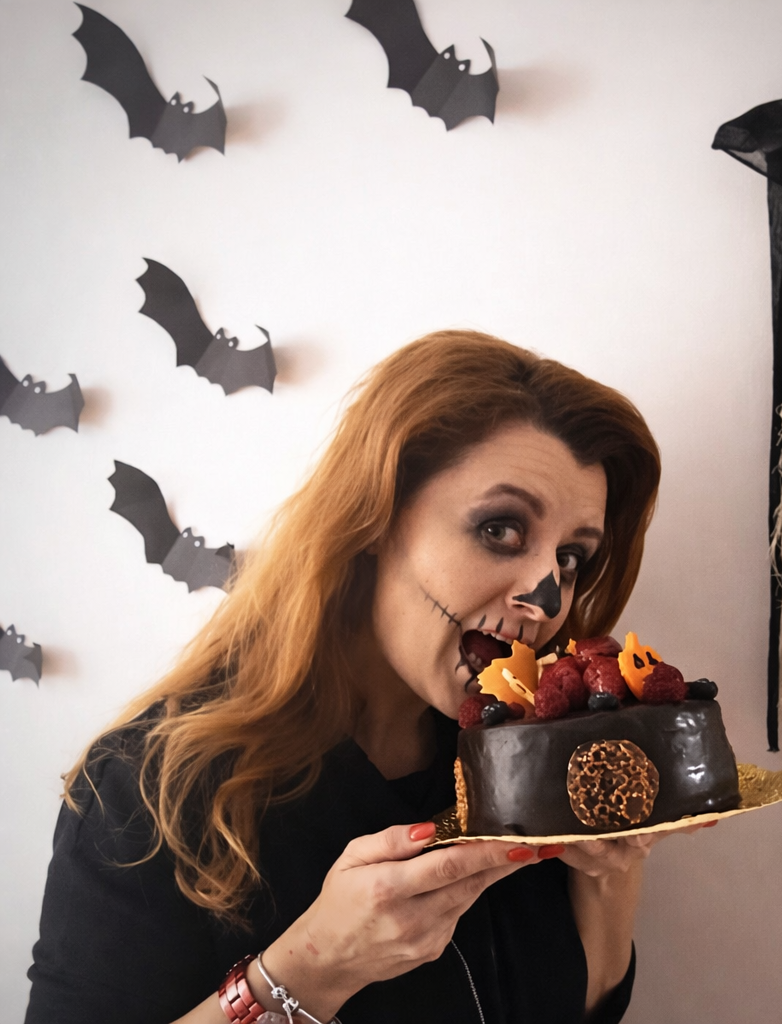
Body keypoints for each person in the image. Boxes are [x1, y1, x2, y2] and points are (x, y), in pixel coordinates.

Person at [26, 330, 707, 1024]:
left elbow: (587, 1008)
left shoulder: (535, 755)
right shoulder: (145, 788)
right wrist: (312, 971)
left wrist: (613, 868)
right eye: (501, 529)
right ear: (376, 516)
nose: (546, 597)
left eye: (570, 557)